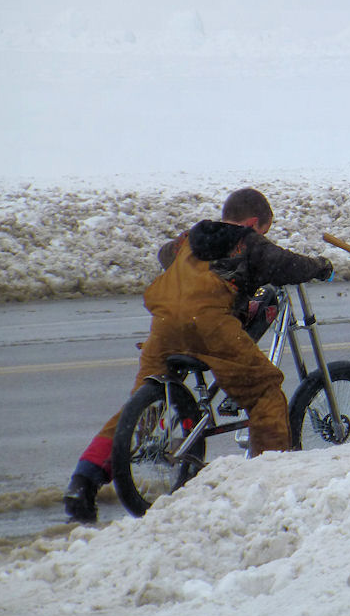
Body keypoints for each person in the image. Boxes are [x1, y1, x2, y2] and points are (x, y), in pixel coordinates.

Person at [64, 187, 333, 523]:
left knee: (144, 407)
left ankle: (83, 482)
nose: (262, 235)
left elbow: (165, 256)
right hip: (208, 327)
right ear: (253, 222)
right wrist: (320, 267)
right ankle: (270, 486)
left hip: (164, 327)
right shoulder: (247, 241)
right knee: (265, 391)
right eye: (264, 229)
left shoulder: (188, 239)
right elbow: (284, 265)